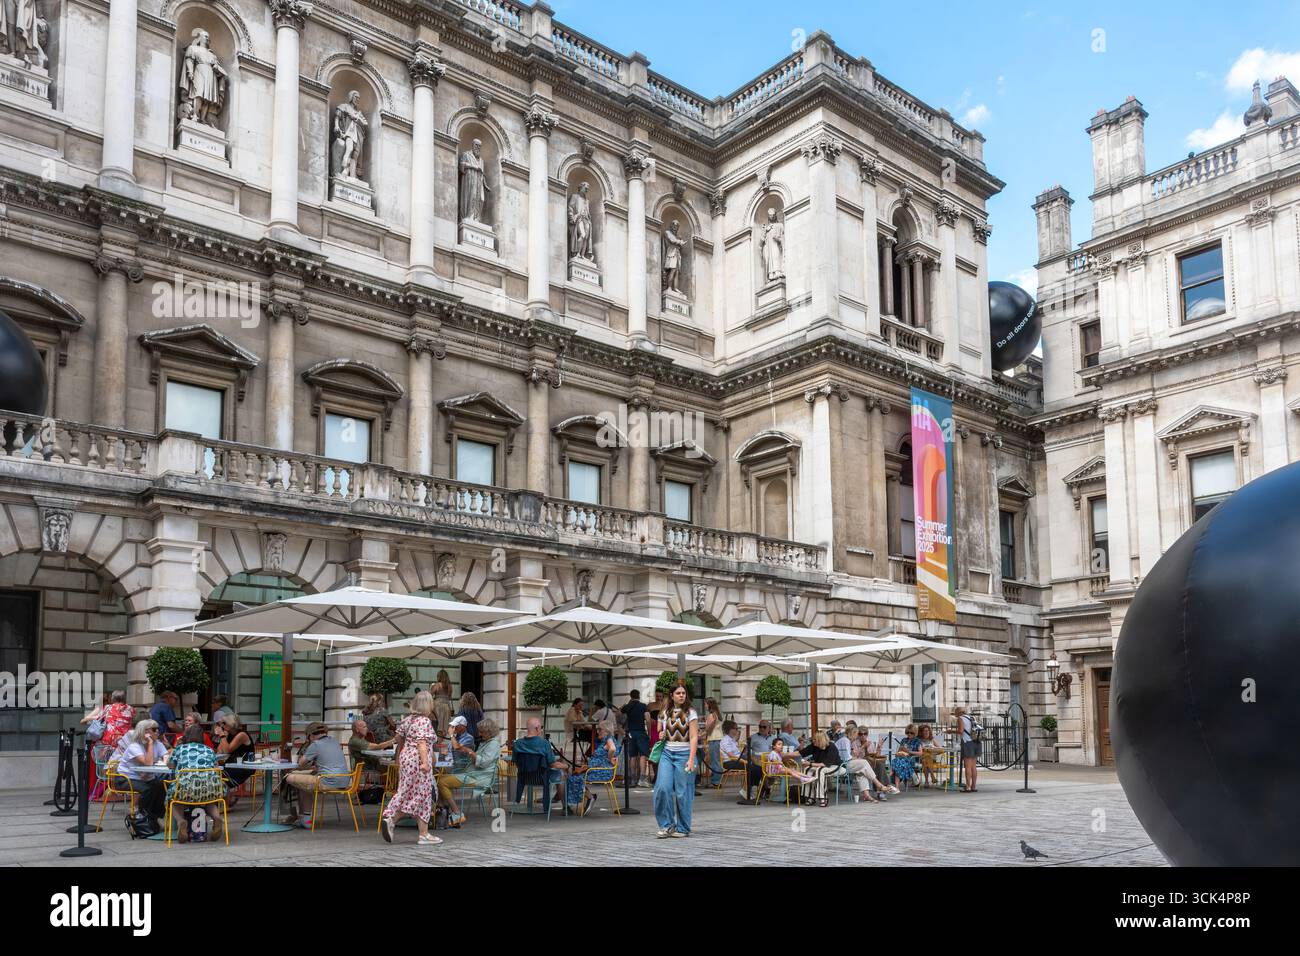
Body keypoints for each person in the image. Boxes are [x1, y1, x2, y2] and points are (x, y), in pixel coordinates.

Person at [381, 691, 441, 846]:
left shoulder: (407, 720)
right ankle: (393, 818)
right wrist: (425, 763)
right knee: (423, 794)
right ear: (428, 704)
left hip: (406, 758)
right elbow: (422, 742)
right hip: (418, 761)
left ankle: (423, 833)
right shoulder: (424, 721)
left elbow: (399, 738)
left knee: (407, 791)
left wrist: (401, 753)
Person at [281, 722, 350, 828]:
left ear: (310, 735)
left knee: (288, 777)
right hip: (344, 780)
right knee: (303, 785)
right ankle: (305, 819)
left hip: (327, 781)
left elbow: (300, 763)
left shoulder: (316, 744)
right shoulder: (335, 742)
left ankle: (294, 815)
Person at [437, 717, 502, 827]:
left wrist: (470, 752)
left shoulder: (493, 744)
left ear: (489, 732)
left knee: (441, 782)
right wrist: (469, 753)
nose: (480, 734)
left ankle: (456, 812)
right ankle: (442, 810)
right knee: (440, 778)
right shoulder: (487, 742)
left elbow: (484, 762)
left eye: (482, 732)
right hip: (472, 773)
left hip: (478, 777)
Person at [653, 681, 698, 838]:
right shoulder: (666, 712)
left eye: (683, 693)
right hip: (667, 753)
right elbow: (661, 731)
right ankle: (667, 825)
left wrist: (691, 759)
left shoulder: (691, 712)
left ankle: (683, 827)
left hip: (684, 755)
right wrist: (661, 734)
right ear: (671, 696)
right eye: (678, 693)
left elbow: (693, 737)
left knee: (682, 793)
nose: (681, 695)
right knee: (662, 788)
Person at [166, 723, 224, 842]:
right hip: (209, 788)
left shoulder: (179, 749)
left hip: (185, 788)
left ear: (185, 736)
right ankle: (217, 817)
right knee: (208, 800)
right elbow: (215, 766)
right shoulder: (209, 750)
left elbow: (170, 765)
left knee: (175, 799)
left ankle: (181, 821)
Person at [113, 719, 170, 827]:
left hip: (145, 777)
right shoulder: (134, 747)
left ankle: (153, 817)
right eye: (154, 729)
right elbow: (148, 763)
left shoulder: (158, 743)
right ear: (145, 732)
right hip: (125, 778)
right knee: (148, 789)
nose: (158, 731)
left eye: (158, 729)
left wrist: (165, 760)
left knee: (163, 786)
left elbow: (166, 755)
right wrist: (150, 743)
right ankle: (143, 817)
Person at [564, 717, 620, 814]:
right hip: (596, 769)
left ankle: (589, 798)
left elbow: (613, 749)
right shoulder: (605, 740)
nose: (598, 731)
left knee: (573, 778)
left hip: (601, 772)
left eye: (600, 729)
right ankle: (588, 797)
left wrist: (610, 758)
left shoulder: (609, 739)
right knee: (573, 776)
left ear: (606, 730)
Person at [513, 716, 567, 805]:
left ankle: (558, 798)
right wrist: (566, 766)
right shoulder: (544, 743)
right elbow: (553, 764)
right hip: (542, 778)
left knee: (558, 772)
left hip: (524, 778)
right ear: (537, 728)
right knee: (561, 774)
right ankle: (565, 807)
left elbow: (515, 761)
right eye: (541, 727)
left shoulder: (518, 743)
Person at [845, 725, 898, 802]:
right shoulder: (854, 743)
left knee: (880, 765)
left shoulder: (871, 743)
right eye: (860, 734)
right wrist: (863, 747)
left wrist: (879, 748)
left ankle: (882, 790)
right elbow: (853, 756)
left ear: (867, 734)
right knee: (875, 765)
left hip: (870, 764)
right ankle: (882, 789)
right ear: (857, 735)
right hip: (860, 765)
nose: (863, 736)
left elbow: (875, 756)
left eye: (865, 734)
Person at [213, 712, 255, 794]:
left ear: (231, 723)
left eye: (224, 723)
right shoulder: (230, 734)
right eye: (220, 724)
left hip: (244, 766)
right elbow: (220, 751)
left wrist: (222, 735)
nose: (221, 726)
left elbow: (228, 750)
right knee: (215, 776)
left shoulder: (242, 735)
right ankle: (227, 800)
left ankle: (226, 801)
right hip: (233, 764)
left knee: (218, 778)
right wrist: (223, 736)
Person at [798, 731, 842, 807]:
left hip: (835, 766)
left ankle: (823, 797)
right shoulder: (815, 746)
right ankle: (810, 796)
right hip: (822, 766)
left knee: (820, 770)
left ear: (820, 740)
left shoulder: (831, 746)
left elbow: (825, 764)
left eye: (815, 739)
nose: (813, 741)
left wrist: (810, 763)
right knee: (808, 769)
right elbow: (801, 753)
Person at [620, 690, 650, 788]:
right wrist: (649, 732)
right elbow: (648, 718)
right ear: (639, 696)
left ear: (630, 696)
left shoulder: (627, 706)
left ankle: (632, 779)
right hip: (641, 732)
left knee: (632, 756)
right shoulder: (643, 706)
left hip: (630, 733)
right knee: (642, 755)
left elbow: (618, 714)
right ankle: (642, 779)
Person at [347, 718, 391, 783]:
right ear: (357, 729)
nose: (367, 729)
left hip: (372, 767)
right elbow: (377, 746)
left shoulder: (361, 739)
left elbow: (375, 746)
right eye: (364, 727)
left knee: (392, 767)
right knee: (392, 769)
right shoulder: (355, 741)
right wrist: (394, 740)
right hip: (366, 770)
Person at [956, 707, 981, 792]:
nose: (956, 716)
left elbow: (960, 731)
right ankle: (973, 786)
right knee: (973, 766)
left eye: (956, 714)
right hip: (976, 742)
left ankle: (968, 787)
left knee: (967, 766)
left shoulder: (961, 718)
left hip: (967, 742)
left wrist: (950, 731)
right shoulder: (971, 717)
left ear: (958, 713)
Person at [890, 725, 923, 790]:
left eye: (911, 733)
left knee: (898, 763)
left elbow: (920, 753)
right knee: (896, 761)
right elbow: (898, 752)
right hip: (902, 759)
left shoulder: (917, 741)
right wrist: (899, 752)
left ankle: (891, 776)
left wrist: (909, 751)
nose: (909, 734)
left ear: (915, 733)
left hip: (912, 759)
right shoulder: (904, 740)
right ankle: (912, 775)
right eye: (908, 732)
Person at [703, 698, 724, 787]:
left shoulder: (712, 715)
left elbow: (709, 728)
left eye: (705, 704)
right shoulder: (717, 714)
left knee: (714, 761)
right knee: (717, 761)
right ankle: (716, 781)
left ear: (709, 704)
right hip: (718, 738)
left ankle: (716, 782)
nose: (705, 705)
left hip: (714, 739)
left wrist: (704, 732)